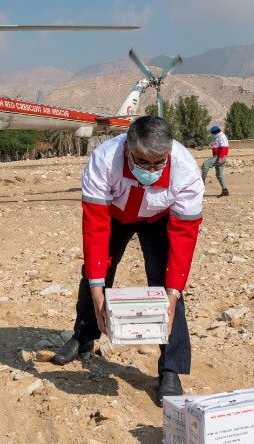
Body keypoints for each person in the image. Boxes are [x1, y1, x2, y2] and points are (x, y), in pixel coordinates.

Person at [53, 116, 204, 405]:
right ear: (127, 149)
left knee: (166, 283)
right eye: (142, 162)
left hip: (159, 220)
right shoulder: (104, 160)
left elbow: (185, 238)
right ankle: (84, 335)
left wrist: (172, 294)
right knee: (95, 273)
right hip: (114, 216)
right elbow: (95, 226)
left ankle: (170, 369)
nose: (151, 170)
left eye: (159, 163)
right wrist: (99, 292)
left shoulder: (186, 172)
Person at [201, 125, 230, 197]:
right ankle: (225, 191)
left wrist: (220, 158)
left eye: (212, 134)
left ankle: (202, 180)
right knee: (219, 175)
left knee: (205, 164)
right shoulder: (218, 137)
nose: (212, 135)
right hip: (219, 157)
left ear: (215, 133)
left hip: (220, 157)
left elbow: (224, 148)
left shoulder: (222, 137)